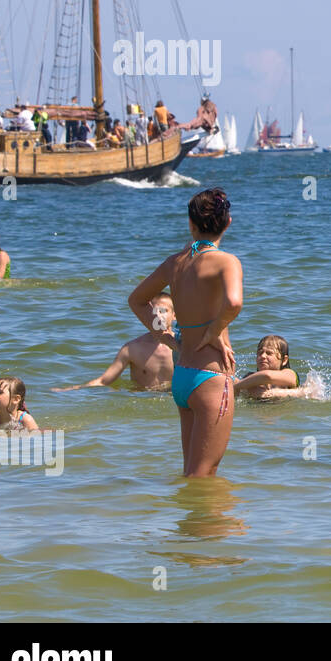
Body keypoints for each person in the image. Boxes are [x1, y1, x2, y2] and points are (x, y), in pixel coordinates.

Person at [128, 188, 243, 477]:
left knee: (192, 472)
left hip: (182, 377)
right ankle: (207, 522)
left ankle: (189, 522)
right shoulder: (227, 261)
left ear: (190, 224)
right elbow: (234, 302)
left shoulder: (175, 263)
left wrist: (164, 336)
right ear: (228, 222)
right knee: (203, 476)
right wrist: (214, 331)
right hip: (211, 377)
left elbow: (137, 301)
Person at [51, 294, 176, 391]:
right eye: (155, 311)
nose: (159, 316)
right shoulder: (132, 349)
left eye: (164, 311)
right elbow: (104, 381)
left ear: (174, 315)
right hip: (142, 399)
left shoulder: (184, 345)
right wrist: (72, 390)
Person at [233, 334, 308, 400]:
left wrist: (237, 386)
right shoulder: (250, 376)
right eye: (260, 353)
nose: (262, 356)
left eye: (269, 353)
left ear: (284, 360)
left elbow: (268, 376)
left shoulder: (290, 374)